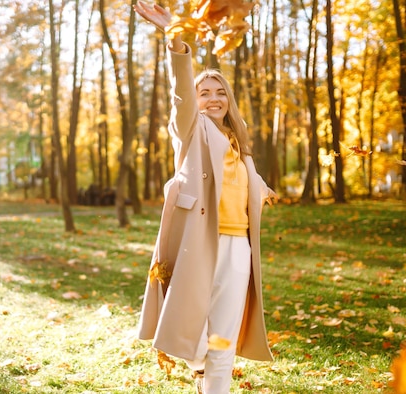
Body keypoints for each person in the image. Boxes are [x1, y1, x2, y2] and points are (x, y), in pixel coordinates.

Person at [134, 2, 277, 393]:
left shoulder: (239, 142)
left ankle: (213, 386)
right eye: (204, 93)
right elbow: (181, 93)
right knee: (192, 332)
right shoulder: (191, 130)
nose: (212, 99)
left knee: (224, 336)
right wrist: (175, 40)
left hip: (239, 246)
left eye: (219, 93)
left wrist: (263, 190)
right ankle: (197, 364)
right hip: (200, 242)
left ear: (228, 99)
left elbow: (247, 179)